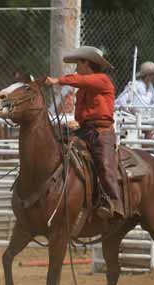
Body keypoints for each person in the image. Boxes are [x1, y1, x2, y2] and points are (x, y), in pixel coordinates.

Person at [44, 45, 123, 220]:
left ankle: (114, 202)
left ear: (87, 63)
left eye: (78, 64)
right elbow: (83, 109)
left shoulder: (102, 80)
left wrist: (58, 81)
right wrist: (77, 123)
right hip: (85, 130)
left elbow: (81, 81)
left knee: (104, 163)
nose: (77, 69)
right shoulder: (84, 88)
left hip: (101, 132)